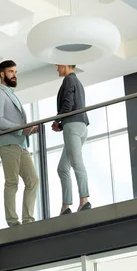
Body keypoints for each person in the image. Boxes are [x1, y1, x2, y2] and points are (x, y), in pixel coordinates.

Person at [0, 60, 39, 227]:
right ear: (2, 74)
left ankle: (28, 219)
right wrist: (21, 129)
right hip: (8, 143)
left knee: (33, 180)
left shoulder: (11, 93)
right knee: (12, 182)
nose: (14, 75)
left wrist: (29, 129)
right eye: (11, 71)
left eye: (15, 72)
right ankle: (12, 221)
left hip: (21, 144)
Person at [51, 64, 91, 215]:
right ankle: (66, 206)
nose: (56, 68)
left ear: (65, 64)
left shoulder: (68, 80)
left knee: (77, 163)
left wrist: (58, 121)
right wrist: (61, 124)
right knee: (62, 168)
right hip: (80, 126)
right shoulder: (77, 82)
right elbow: (73, 105)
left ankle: (84, 201)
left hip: (73, 127)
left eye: (57, 65)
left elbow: (68, 103)